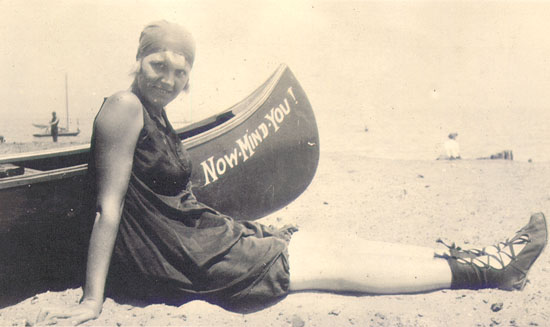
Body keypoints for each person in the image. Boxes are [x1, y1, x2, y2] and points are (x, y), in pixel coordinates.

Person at [36, 21, 547, 326]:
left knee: (326, 242)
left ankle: (474, 257)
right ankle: (487, 271)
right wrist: (91, 299)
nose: (168, 79)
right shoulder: (124, 106)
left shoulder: (155, 111)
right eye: (158, 66)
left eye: (180, 70)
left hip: (195, 239)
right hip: (180, 259)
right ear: (139, 60)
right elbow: (109, 207)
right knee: (334, 265)